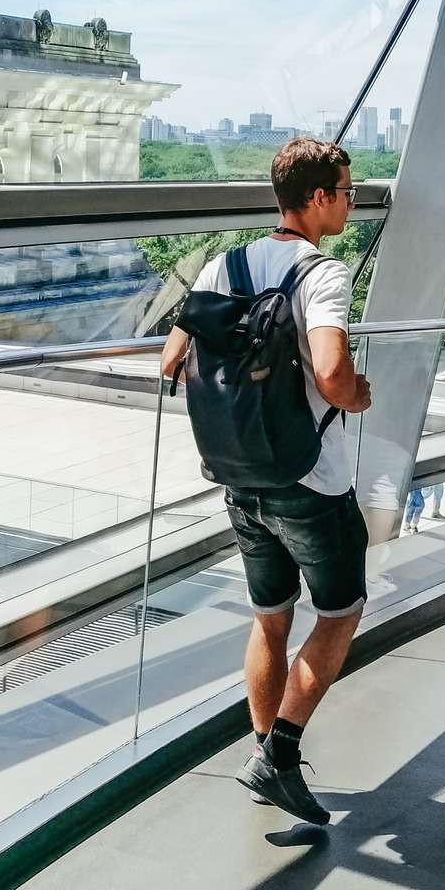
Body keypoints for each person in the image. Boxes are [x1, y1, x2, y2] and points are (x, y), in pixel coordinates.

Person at [160, 138, 371, 826]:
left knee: (270, 619)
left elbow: (171, 358)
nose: (349, 202)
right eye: (345, 192)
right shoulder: (322, 273)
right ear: (317, 198)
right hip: (309, 480)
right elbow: (333, 372)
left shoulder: (226, 263)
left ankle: (264, 752)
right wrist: (356, 396)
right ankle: (277, 755)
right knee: (340, 614)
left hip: (237, 475)